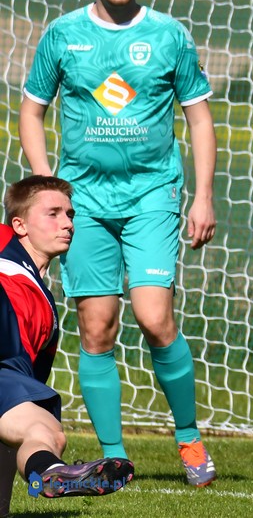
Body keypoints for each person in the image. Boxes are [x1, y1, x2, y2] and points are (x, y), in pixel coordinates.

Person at [18, 0, 218, 487]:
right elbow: (32, 110)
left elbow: (199, 117)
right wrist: (48, 186)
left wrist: (203, 196)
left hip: (152, 195)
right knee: (97, 328)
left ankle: (188, 437)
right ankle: (114, 457)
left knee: (155, 317)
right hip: (84, 204)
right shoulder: (63, 35)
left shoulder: (169, 36)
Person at [0, 175, 134, 517]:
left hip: (7, 372)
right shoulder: (3, 244)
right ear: (19, 225)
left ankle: (47, 474)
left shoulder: (47, 314)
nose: (68, 224)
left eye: (70, 214)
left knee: (45, 430)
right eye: (53, 214)